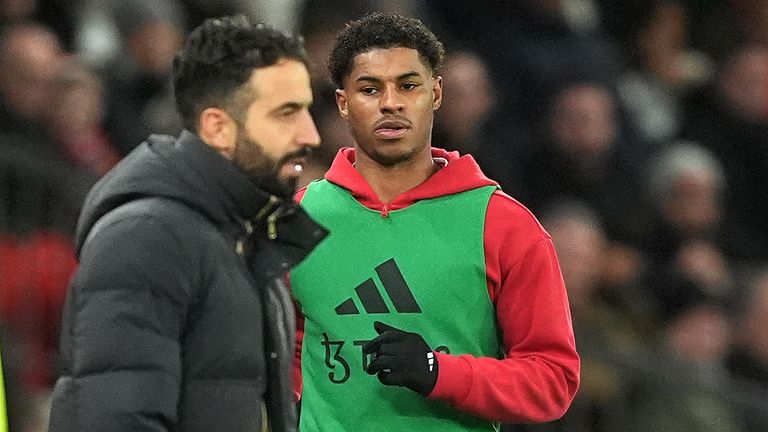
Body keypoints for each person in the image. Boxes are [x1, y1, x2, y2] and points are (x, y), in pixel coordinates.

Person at [289, 12, 580, 431]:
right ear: (343, 103)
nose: (391, 103)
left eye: (408, 85)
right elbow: (286, 350)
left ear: (436, 93)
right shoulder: (297, 221)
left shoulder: (504, 225)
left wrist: (438, 372)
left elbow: (554, 379)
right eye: (370, 89)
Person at [48, 15, 326, 432]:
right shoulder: (147, 238)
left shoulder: (246, 236)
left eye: (306, 109)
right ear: (218, 127)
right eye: (286, 113)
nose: (311, 134)